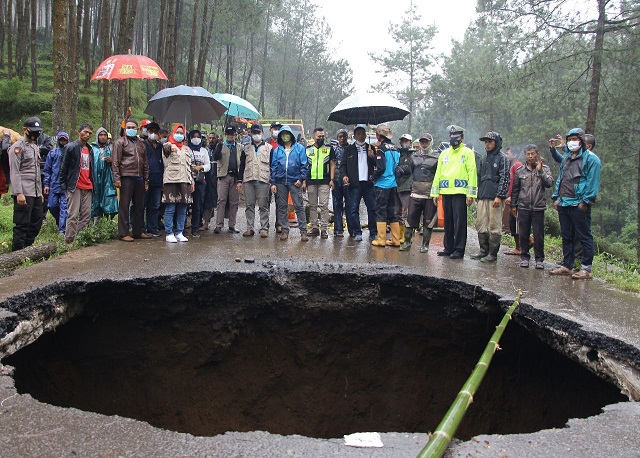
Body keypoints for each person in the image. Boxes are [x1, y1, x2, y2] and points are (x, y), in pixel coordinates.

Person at [550, 128, 601, 279]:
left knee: (584, 236)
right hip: (564, 202)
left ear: (582, 141)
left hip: (579, 203)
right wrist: (556, 197)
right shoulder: (566, 158)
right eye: (570, 139)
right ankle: (567, 265)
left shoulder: (592, 159)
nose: (572, 142)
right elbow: (561, 177)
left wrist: (585, 202)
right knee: (566, 236)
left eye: (575, 139)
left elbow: (593, 182)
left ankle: (586, 269)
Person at [430, 125, 478, 259]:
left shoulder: (467, 153)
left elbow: (472, 173)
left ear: (461, 138)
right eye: (451, 137)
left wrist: (471, 194)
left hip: (460, 192)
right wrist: (435, 192)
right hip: (446, 192)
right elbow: (438, 173)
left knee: (460, 223)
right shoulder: (444, 153)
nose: (454, 140)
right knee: (448, 222)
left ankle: (459, 249)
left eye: (456, 137)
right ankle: (448, 247)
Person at [511, 144, 553, 269]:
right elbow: (515, 189)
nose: (530, 156)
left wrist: (540, 171)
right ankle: (524, 257)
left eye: (532, 154)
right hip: (523, 206)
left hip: (538, 207)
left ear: (537, 154)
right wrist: (514, 205)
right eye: (528, 154)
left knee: (538, 235)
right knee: (523, 234)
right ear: (525, 155)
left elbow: (549, 183)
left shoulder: (544, 169)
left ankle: (539, 259)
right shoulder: (520, 171)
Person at [470, 131, 509, 262]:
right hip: (483, 195)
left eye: (490, 142)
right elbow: (479, 177)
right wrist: (477, 193)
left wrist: (500, 196)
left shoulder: (502, 158)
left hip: (495, 198)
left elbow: (505, 178)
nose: (487, 144)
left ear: (496, 142)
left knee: (494, 226)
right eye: (485, 142)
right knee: (480, 223)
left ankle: (492, 254)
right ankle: (483, 250)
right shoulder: (483, 158)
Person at [398, 133, 439, 252]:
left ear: (431, 142)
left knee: (428, 220)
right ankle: (406, 242)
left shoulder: (437, 157)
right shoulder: (413, 156)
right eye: (422, 142)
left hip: (430, 195)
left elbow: (439, 174)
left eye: (426, 142)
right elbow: (408, 170)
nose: (424, 144)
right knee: (410, 219)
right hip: (415, 193)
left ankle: (425, 244)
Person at [112, 119, 151, 241]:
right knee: (124, 205)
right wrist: (117, 178)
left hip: (139, 178)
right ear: (125, 129)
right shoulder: (119, 143)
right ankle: (123, 233)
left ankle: (137, 231)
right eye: (129, 127)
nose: (131, 129)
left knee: (139, 206)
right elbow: (115, 162)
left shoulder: (141, 144)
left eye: (134, 127)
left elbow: (145, 163)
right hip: (126, 177)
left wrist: (146, 180)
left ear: (138, 129)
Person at [9, 117, 45, 251]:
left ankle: (27, 249)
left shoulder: (35, 147)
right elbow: (15, 172)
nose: (36, 134)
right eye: (33, 131)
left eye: (39, 131)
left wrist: (40, 192)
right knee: (22, 224)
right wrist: (19, 193)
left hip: (35, 192)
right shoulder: (17, 148)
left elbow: (37, 172)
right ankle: (17, 252)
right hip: (23, 192)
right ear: (25, 130)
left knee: (37, 222)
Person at [270, 125, 309, 241]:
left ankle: (303, 231)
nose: (285, 136)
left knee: (298, 206)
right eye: (283, 134)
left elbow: (304, 165)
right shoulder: (278, 150)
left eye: (287, 134)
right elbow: (274, 167)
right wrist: (273, 183)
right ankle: (284, 230)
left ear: (291, 135)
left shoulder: (299, 148)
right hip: (280, 181)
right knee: (282, 207)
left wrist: (301, 179)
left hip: (295, 181)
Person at [340, 125, 377, 242]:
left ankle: (373, 232)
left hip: (368, 183)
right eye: (359, 134)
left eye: (363, 133)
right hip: (354, 184)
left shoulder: (370, 148)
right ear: (354, 135)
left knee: (372, 208)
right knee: (353, 209)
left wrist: (372, 157)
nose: (361, 136)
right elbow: (343, 165)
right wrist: (344, 176)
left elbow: (376, 164)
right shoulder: (349, 149)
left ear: (366, 135)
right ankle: (357, 232)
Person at [59, 124, 94, 244]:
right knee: (73, 215)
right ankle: (69, 240)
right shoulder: (70, 147)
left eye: (90, 133)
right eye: (85, 132)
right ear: (79, 132)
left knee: (86, 215)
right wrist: (63, 185)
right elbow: (63, 167)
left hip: (88, 185)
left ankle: (79, 239)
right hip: (74, 185)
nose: (87, 135)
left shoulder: (90, 149)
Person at [238, 123, 272, 238]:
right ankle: (249, 228)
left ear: (262, 133)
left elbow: (272, 165)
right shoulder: (246, 147)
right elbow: (242, 165)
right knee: (249, 205)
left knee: (263, 205)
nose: (256, 135)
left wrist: (273, 181)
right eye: (254, 132)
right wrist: (239, 180)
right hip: (249, 180)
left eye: (258, 132)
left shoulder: (269, 148)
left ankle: (264, 228)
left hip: (263, 180)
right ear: (251, 133)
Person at [162, 124, 194, 243]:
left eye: (181, 133)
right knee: (170, 208)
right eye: (178, 132)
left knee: (183, 208)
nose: (179, 135)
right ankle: (169, 233)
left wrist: (192, 181)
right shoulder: (168, 145)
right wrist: (171, 146)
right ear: (173, 132)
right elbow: (166, 150)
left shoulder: (186, 149)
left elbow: (189, 166)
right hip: (171, 180)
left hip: (185, 180)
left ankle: (180, 231)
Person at [371, 123, 401, 247]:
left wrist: (373, 177)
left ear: (379, 135)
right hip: (393, 184)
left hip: (382, 185)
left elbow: (381, 167)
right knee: (392, 211)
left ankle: (381, 239)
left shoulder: (382, 149)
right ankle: (396, 239)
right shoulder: (395, 148)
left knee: (380, 211)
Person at [305, 127, 336, 238]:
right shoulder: (308, 149)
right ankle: (314, 227)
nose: (321, 138)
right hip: (311, 181)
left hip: (325, 181)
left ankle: (324, 229)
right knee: (312, 205)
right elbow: (304, 166)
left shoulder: (329, 149)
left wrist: (332, 179)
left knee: (324, 205)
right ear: (314, 137)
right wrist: (304, 181)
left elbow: (332, 164)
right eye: (319, 136)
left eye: (323, 136)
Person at [213, 126, 241, 234]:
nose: (230, 135)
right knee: (221, 201)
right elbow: (215, 157)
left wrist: (240, 179)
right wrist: (219, 146)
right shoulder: (220, 145)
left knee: (234, 202)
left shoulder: (239, 147)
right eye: (228, 133)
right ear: (225, 135)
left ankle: (232, 225)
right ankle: (219, 225)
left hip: (234, 177)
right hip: (223, 176)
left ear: (235, 135)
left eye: (232, 133)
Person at [90, 127, 118, 220]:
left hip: (107, 178)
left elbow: (117, 162)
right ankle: (93, 221)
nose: (103, 137)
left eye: (105, 135)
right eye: (100, 135)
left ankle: (106, 221)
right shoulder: (91, 148)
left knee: (107, 198)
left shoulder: (111, 148)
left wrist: (111, 161)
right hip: (94, 177)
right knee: (94, 199)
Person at [43, 131, 69, 234]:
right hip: (53, 184)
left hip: (65, 185)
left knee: (64, 208)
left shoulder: (69, 153)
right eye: (61, 139)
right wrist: (46, 184)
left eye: (65, 140)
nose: (63, 141)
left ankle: (62, 231)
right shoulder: (52, 153)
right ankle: (60, 221)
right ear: (58, 140)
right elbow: (47, 170)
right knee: (52, 206)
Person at [332, 128, 355, 237]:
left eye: (344, 136)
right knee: (337, 205)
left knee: (350, 205)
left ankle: (352, 229)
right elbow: (331, 164)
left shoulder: (351, 149)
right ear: (337, 138)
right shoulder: (334, 149)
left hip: (348, 180)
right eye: (340, 136)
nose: (342, 138)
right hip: (336, 180)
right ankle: (338, 229)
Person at [187, 129, 210, 237]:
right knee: (184, 205)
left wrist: (200, 167)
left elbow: (208, 165)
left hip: (199, 181)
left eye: (198, 136)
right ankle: (181, 228)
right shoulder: (186, 149)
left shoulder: (204, 151)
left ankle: (195, 227)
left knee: (197, 205)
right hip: (186, 180)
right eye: (194, 136)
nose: (196, 138)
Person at [142, 122, 164, 236]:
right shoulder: (143, 145)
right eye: (151, 131)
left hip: (158, 179)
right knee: (143, 203)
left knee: (155, 205)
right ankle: (141, 227)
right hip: (146, 179)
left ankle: (152, 227)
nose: (153, 133)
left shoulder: (160, 146)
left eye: (156, 132)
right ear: (147, 132)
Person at [503, 147, 524, 255]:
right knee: (512, 223)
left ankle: (521, 246)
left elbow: (518, 184)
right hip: (511, 197)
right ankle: (518, 247)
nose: (506, 155)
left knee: (516, 222)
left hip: (516, 198)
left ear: (515, 155)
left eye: (508, 153)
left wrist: (512, 196)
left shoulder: (518, 166)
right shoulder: (511, 166)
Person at [395, 133, 414, 243]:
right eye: (402, 141)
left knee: (407, 213)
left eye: (406, 141)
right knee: (396, 212)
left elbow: (412, 167)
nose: (404, 143)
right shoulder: (397, 153)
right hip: (396, 185)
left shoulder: (412, 154)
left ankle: (407, 237)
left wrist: (403, 169)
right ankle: (399, 235)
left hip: (407, 186)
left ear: (410, 142)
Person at [202, 132, 219, 230]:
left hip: (219, 176)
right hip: (208, 177)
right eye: (210, 138)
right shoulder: (206, 150)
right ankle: (206, 222)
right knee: (207, 200)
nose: (211, 140)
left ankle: (221, 224)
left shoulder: (220, 148)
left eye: (214, 138)